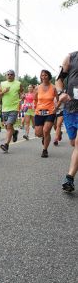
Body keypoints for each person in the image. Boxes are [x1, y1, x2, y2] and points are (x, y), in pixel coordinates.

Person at [55, 51, 78, 192]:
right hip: (71, 108)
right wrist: (60, 93)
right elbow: (59, 80)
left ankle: (69, 178)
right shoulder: (71, 57)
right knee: (73, 142)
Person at [0, 70, 23, 152]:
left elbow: (22, 92)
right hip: (4, 108)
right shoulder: (2, 84)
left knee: (8, 125)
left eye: (11, 74)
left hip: (14, 108)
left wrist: (22, 96)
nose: (9, 76)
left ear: (14, 76)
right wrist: (3, 91)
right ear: (6, 76)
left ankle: (6, 145)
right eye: (8, 74)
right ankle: (14, 132)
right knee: (7, 126)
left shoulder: (18, 83)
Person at [34, 70, 57, 158]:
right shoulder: (37, 88)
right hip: (39, 112)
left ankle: (45, 150)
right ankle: (45, 137)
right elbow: (35, 99)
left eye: (45, 75)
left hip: (50, 112)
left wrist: (56, 108)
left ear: (49, 76)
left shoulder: (53, 88)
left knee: (46, 130)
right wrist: (36, 107)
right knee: (38, 133)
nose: (44, 77)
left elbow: (57, 99)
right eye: (42, 75)